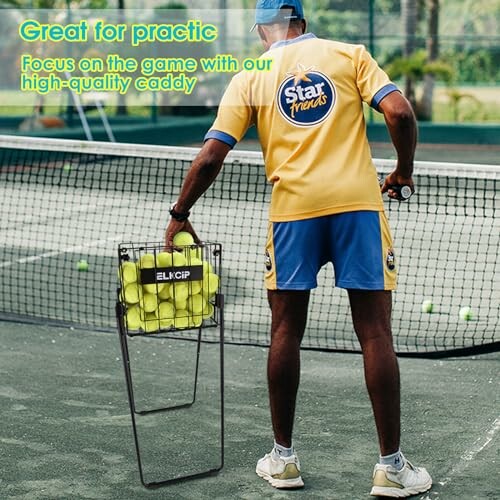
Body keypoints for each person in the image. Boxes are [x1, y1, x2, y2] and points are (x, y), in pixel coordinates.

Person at [165, 0, 432, 496]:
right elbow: (399, 111)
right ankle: (391, 469)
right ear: (302, 24)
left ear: (266, 31)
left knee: (285, 331)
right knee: (375, 333)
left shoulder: (249, 77)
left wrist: (179, 214)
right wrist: (404, 170)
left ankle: (284, 460)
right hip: (357, 208)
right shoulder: (349, 54)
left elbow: (209, 158)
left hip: (293, 212)